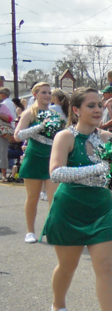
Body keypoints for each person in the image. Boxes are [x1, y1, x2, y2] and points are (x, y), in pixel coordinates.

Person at [42, 87, 112, 311]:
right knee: (68, 265)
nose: (98, 110)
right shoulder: (65, 137)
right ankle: (58, 305)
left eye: (100, 106)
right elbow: (56, 173)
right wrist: (98, 167)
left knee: (105, 266)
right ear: (76, 110)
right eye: (91, 105)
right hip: (70, 207)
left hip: (101, 207)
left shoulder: (108, 138)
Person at [14, 82, 63, 243]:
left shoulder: (55, 114)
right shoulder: (29, 113)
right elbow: (17, 136)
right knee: (32, 197)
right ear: (35, 94)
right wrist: (40, 126)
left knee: (54, 198)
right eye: (44, 92)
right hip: (34, 158)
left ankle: (52, 230)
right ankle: (30, 231)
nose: (47, 95)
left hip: (51, 161)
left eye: (49, 93)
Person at [0, 86, 17, 182]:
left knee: (3, 152)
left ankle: (3, 174)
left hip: (3, 133)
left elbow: (10, 118)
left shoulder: (3, 105)